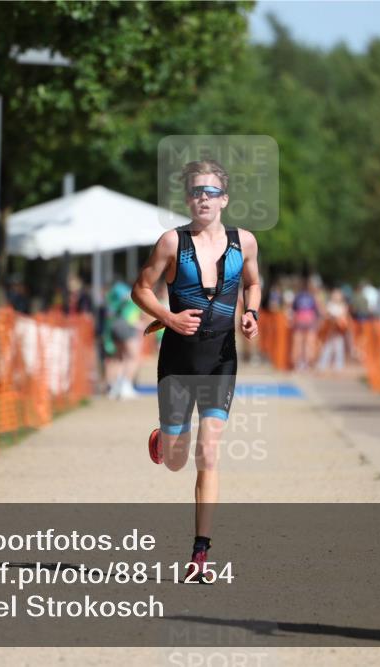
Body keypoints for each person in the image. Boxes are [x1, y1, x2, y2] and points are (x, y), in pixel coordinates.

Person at [132, 159, 261, 580]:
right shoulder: (172, 242)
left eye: (211, 192)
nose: (203, 199)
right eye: (196, 192)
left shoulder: (246, 242)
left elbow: (252, 283)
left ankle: (200, 553)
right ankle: (163, 439)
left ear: (224, 199)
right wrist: (168, 319)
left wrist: (252, 313)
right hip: (177, 358)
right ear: (187, 199)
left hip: (221, 357)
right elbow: (141, 289)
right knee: (175, 460)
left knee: (209, 451)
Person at [290, 276, 319, 371]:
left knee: (298, 342)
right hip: (310, 320)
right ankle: (307, 363)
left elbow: (293, 310)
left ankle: (298, 363)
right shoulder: (312, 297)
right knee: (308, 343)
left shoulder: (297, 296)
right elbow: (317, 311)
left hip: (299, 319)